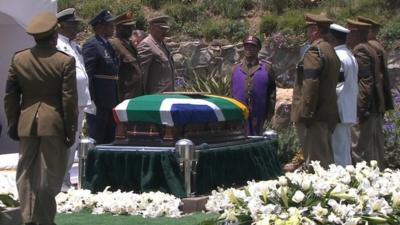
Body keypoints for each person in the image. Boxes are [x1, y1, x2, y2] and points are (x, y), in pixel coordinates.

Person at [4, 12, 78, 225]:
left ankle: (28, 218)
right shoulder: (64, 61)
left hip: (26, 123)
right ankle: (45, 220)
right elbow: (68, 100)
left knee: (25, 173)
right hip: (53, 124)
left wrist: (13, 122)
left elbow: (10, 95)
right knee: (49, 175)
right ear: (55, 34)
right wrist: (70, 128)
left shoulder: (19, 58)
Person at [290, 13, 341, 168]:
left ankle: (320, 193)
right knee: (325, 158)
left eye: (309, 30)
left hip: (314, 116)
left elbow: (310, 84)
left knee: (315, 163)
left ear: (316, 30)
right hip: (327, 113)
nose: (307, 34)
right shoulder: (330, 50)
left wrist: (306, 114)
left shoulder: (314, 51)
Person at [56, 8, 93, 192]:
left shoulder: (74, 46)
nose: (76, 28)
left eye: (76, 24)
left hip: (79, 101)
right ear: (61, 26)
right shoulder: (56, 45)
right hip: (68, 101)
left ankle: (66, 180)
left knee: (74, 141)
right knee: (65, 141)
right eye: (72, 25)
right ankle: (60, 181)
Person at [347, 19, 391, 169]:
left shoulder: (361, 50)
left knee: (359, 150)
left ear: (356, 33)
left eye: (350, 32)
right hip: (377, 104)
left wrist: (361, 108)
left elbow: (366, 81)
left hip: (368, 106)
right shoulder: (373, 47)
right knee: (375, 149)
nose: (347, 36)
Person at [82, 9, 119, 144]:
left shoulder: (107, 45)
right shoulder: (92, 45)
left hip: (110, 100)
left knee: (110, 138)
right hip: (99, 101)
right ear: (100, 27)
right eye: (110, 25)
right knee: (97, 137)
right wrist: (91, 100)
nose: (113, 28)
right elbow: (88, 75)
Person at [231, 35, 276, 135]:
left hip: (259, 114)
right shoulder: (235, 68)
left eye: (252, 46)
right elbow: (232, 91)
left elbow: (271, 93)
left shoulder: (267, 68)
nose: (249, 49)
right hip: (239, 115)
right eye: (246, 46)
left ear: (258, 49)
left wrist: (269, 113)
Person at [328, 24, 359, 167]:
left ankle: (342, 184)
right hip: (348, 108)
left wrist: (330, 105)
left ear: (332, 38)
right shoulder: (349, 55)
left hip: (339, 109)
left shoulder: (338, 56)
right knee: (344, 149)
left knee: (338, 151)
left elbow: (337, 85)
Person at [357, 16, 394, 112]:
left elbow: (368, 76)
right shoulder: (378, 45)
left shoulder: (370, 47)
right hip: (379, 98)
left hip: (373, 99)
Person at [110, 12, 143, 101]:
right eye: (127, 27)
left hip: (136, 94)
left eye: (132, 26)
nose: (131, 29)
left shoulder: (129, 43)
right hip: (125, 95)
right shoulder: (114, 44)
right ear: (119, 28)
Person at [137, 15, 175, 94]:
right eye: (161, 29)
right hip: (155, 96)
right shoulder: (146, 44)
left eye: (165, 29)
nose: (164, 32)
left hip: (168, 94)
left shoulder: (163, 45)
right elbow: (141, 75)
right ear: (152, 28)